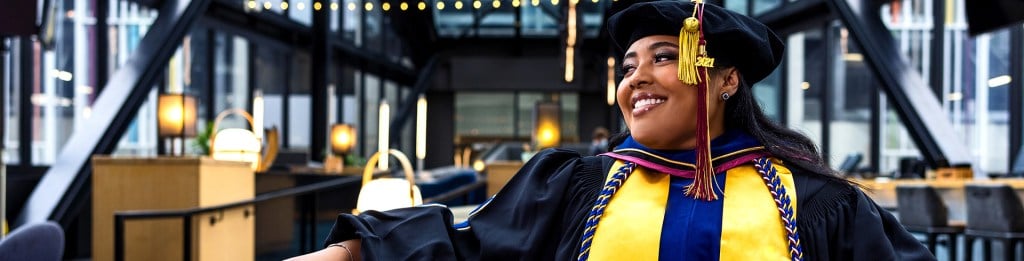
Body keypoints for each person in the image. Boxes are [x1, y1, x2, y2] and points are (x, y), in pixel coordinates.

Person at [290, 0, 932, 260]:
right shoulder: (578, 188)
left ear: (727, 79)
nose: (636, 79)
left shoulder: (818, 204)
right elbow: (469, 248)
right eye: (628, 66)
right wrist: (351, 252)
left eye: (663, 57)